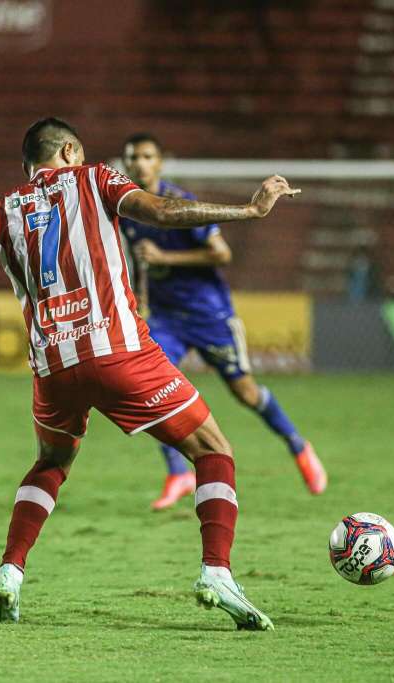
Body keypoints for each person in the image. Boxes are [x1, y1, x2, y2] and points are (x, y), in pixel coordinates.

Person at [0, 117, 299, 631]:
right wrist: (249, 210)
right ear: (71, 151)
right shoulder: (96, 178)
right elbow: (163, 211)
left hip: (52, 366)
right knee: (214, 450)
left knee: (51, 462)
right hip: (119, 353)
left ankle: (9, 572)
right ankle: (217, 572)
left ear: (28, 164)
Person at [119, 133, 327, 509]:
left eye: (147, 156)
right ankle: (178, 473)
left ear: (160, 162)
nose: (139, 163)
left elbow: (221, 254)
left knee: (245, 392)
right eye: (132, 157)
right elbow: (139, 263)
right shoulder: (129, 211)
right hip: (166, 318)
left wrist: (165, 258)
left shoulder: (179, 204)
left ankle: (298, 446)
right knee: (151, 389)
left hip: (209, 315)